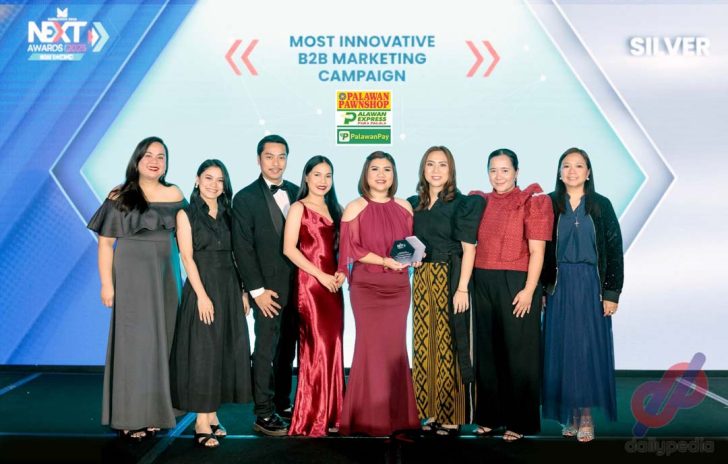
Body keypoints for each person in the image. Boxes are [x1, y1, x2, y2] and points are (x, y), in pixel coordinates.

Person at [87, 136, 186, 441]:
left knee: (165, 340)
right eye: (148, 156)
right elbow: (105, 244)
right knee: (134, 345)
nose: (155, 161)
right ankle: (130, 415)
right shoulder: (120, 195)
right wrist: (107, 284)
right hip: (131, 275)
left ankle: (156, 412)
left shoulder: (175, 193)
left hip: (167, 275)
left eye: (161, 156)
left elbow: (188, 239)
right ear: (137, 160)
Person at [469, 148, 553, 442]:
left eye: (505, 170)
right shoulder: (480, 201)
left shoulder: (532, 201)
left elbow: (537, 251)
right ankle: (490, 417)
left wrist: (530, 289)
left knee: (519, 354)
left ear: (517, 172)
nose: (498, 176)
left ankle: (519, 421)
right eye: (493, 170)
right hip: (482, 279)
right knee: (487, 352)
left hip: (517, 282)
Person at [540, 147, 623, 443]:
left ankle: (586, 415)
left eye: (578, 166)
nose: (572, 171)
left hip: (591, 286)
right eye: (566, 165)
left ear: (588, 172)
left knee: (586, 350)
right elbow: (539, 250)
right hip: (559, 287)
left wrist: (611, 292)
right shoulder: (549, 204)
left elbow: (614, 250)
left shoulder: (601, 205)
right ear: (559, 172)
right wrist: (542, 288)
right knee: (562, 350)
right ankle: (570, 415)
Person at [169, 159, 253, 448]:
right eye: (208, 178)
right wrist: (202, 296)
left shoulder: (230, 214)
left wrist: (243, 291)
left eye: (220, 180)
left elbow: (238, 255)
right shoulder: (186, 214)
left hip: (229, 287)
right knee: (203, 353)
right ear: (197, 180)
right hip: (202, 287)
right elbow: (187, 257)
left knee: (223, 351)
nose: (214, 185)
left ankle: (213, 414)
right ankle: (201, 422)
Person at [337, 151, 420, 436]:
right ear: (365, 174)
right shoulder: (354, 207)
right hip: (367, 288)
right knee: (370, 349)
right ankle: (367, 417)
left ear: (394, 175)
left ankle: (398, 417)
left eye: (387, 169)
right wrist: (384, 260)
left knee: (395, 350)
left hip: (398, 287)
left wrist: (414, 258)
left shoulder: (405, 207)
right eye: (375, 169)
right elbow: (350, 249)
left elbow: (409, 246)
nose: (381, 174)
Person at [407, 146, 484, 436]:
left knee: (450, 346)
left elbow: (469, 249)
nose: (436, 170)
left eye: (442, 164)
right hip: (422, 280)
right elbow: (410, 244)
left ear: (451, 170)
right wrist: (410, 259)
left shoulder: (462, 204)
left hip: (451, 277)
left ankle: (452, 415)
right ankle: (430, 411)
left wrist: (462, 288)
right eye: (430, 164)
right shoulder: (414, 203)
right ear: (423, 169)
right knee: (425, 346)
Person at [232, 135, 299, 436]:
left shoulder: (298, 192)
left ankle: (283, 403)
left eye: (281, 156)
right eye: (269, 156)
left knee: (287, 349)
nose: (276, 162)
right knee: (264, 350)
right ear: (258, 159)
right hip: (267, 291)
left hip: (298, 288)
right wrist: (256, 291)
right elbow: (242, 248)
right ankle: (263, 412)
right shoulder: (244, 198)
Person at [283, 156, 345, 437]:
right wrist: (320, 275)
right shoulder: (299, 207)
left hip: (334, 286)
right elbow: (289, 249)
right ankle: (314, 415)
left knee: (334, 345)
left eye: (328, 175)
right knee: (316, 348)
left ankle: (334, 414)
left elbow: (343, 249)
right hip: (311, 285)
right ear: (306, 177)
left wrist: (342, 271)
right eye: (317, 174)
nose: (323, 180)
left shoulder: (336, 209)